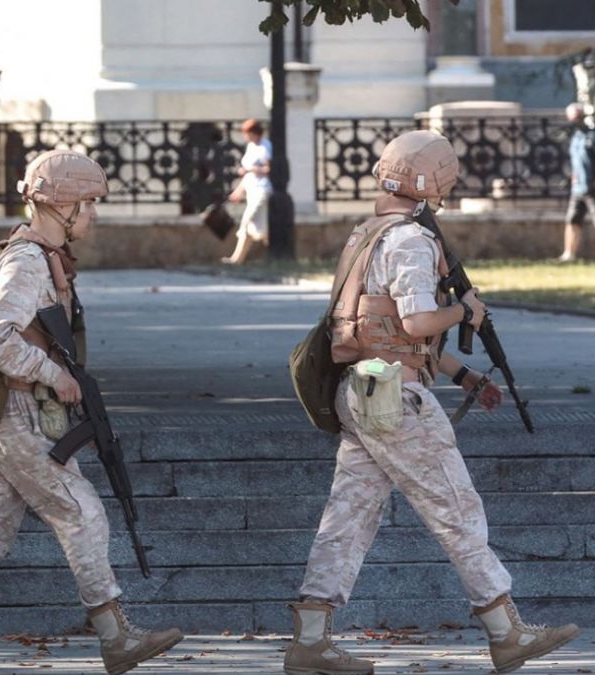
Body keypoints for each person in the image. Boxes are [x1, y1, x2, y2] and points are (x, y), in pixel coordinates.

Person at [285, 130, 578, 675]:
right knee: (457, 509)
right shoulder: (412, 241)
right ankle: (505, 630)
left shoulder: (366, 234)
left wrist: (463, 375)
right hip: (399, 400)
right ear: (434, 182)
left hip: (362, 390)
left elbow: (384, 328)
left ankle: (310, 638)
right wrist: (466, 313)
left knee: (347, 518)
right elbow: (419, 322)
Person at [0, 150, 182, 675]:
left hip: (12, 411)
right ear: (66, 205)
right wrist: (52, 373)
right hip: (19, 410)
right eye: (91, 204)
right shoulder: (28, 260)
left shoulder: (38, 254)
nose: (95, 215)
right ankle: (114, 635)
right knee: (80, 511)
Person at [222, 118, 271, 265]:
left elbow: (268, 169)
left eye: (247, 133)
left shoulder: (265, 147)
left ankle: (238, 258)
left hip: (262, 190)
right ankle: (237, 259)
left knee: (247, 221)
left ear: (254, 132)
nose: (245, 137)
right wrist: (238, 191)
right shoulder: (251, 147)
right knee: (258, 227)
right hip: (251, 190)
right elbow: (247, 175)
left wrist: (250, 169)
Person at [560, 103, 594, 262]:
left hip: (592, 187)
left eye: (577, 118)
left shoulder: (591, 136)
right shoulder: (576, 138)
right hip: (578, 189)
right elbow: (576, 162)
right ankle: (569, 254)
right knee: (572, 220)